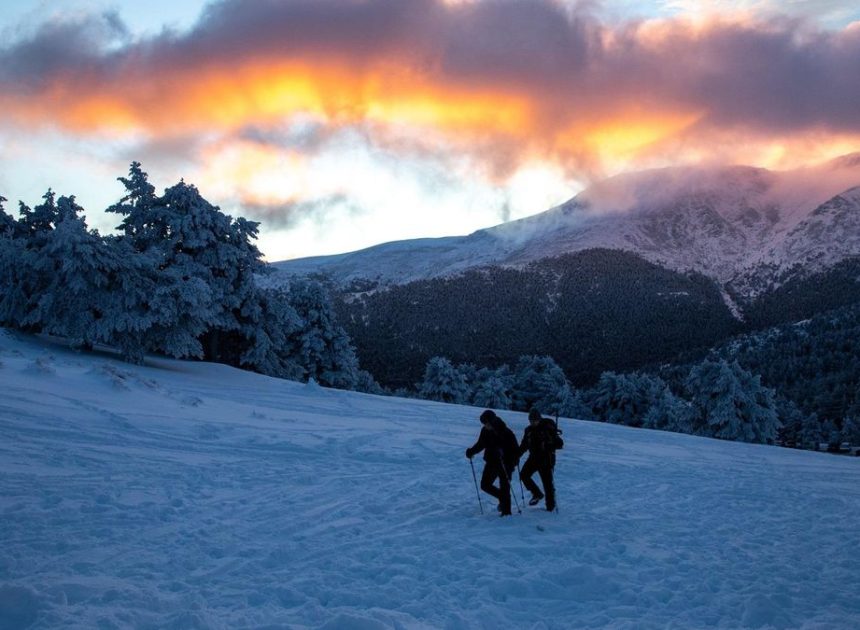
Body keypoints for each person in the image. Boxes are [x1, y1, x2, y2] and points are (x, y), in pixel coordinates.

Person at [466, 409, 519, 516]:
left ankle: (506, 512)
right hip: (492, 462)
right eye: (484, 423)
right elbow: (481, 444)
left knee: (505, 487)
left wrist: (511, 460)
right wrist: (471, 451)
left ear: (492, 421)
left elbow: (515, 449)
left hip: (505, 464)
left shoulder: (506, 432)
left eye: (487, 423)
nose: (485, 426)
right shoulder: (485, 431)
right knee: (485, 485)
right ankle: (501, 498)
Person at [518, 408, 563, 512]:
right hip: (533, 458)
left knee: (548, 485)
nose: (533, 422)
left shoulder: (547, 428)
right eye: (531, 420)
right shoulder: (528, 430)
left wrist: (548, 445)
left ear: (539, 419)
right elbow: (524, 445)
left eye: (535, 420)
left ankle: (550, 507)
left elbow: (560, 444)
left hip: (546, 459)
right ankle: (537, 494)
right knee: (524, 475)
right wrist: (517, 455)